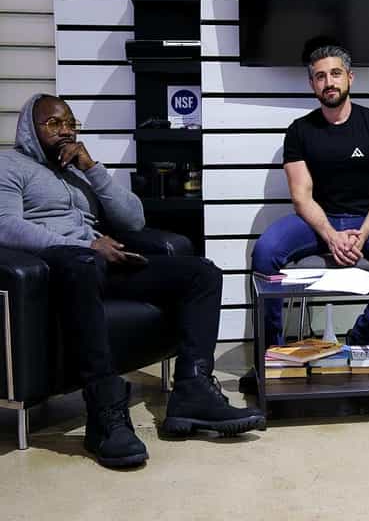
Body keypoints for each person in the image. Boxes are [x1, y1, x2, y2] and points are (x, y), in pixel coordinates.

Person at [0, 94, 265, 468]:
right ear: (30, 127)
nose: (65, 131)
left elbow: (133, 220)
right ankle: (105, 414)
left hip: (100, 264)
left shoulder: (77, 169)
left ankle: (192, 391)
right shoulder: (9, 165)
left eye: (70, 123)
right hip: (57, 269)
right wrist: (85, 246)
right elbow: (6, 226)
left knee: (202, 274)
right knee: (82, 263)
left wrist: (92, 168)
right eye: (53, 123)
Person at [251, 45, 369, 347]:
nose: (329, 82)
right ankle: (273, 352)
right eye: (320, 76)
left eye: (335, 74)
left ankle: (362, 335)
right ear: (312, 84)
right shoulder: (299, 131)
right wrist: (332, 236)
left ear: (349, 78)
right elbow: (302, 198)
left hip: (368, 221)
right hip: (316, 222)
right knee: (265, 252)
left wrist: (362, 234)